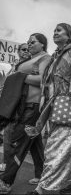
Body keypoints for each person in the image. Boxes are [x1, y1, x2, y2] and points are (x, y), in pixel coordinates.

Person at [27, 23, 71, 195]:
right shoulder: (56, 55)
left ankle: (40, 189)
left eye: (59, 30)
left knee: (55, 148)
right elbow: (48, 85)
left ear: (69, 34)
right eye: (54, 30)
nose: (55, 33)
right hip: (56, 106)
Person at [0, 34, 51, 194]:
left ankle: (6, 182)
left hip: (31, 108)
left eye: (32, 42)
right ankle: (41, 175)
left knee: (17, 145)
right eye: (28, 42)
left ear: (42, 45)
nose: (29, 44)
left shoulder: (45, 58)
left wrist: (20, 77)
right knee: (34, 144)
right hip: (20, 107)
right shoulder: (28, 60)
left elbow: (43, 80)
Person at [0, 43, 31, 173]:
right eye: (23, 49)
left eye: (28, 50)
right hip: (10, 105)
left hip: (22, 107)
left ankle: (5, 170)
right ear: (18, 51)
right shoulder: (14, 66)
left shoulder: (30, 66)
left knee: (9, 137)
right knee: (35, 143)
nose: (26, 52)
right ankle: (40, 172)